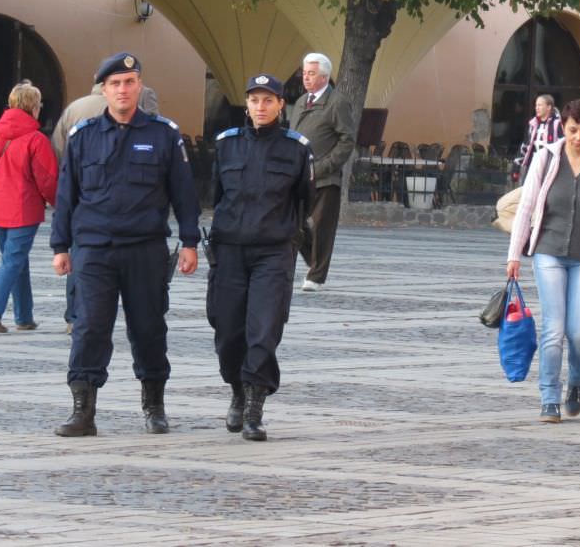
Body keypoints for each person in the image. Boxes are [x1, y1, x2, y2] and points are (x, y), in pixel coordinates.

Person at [50, 52, 200, 437]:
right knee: (90, 327)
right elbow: (66, 195)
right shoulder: (83, 136)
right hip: (94, 249)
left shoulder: (163, 134)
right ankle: (83, 410)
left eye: (129, 82)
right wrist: (60, 245)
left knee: (149, 328)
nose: (122, 90)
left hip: (145, 248)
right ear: (103, 89)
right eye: (115, 84)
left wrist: (189, 241)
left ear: (140, 87)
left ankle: (154, 405)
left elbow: (183, 194)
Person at [506, 99, 580, 424]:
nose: (578, 137)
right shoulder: (546, 158)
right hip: (548, 252)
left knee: (579, 333)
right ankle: (549, 398)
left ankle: (576, 382)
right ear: (564, 126)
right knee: (553, 329)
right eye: (573, 130)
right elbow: (526, 206)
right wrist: (514, 254)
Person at [208, 73, 314, 441]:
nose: (261, 107)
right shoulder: (226, 145)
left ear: (281, 105)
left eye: (268, 100)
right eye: (255, 100)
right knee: (228, 332)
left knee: (264, 331)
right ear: (247, 104)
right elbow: (216, 193)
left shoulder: (297, 148)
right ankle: (236, 388)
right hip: (230, 250)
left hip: (273, 252)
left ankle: (254, 406)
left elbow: (305, 200)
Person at [50, 79, 161, 333]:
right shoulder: (140, 104)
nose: (122, 89)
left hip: (84, 201)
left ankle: (74, 313)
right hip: (125, 208)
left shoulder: (75, 108)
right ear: (105, 87)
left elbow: (58, 147)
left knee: (80, 259)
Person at [0, 81, 58, 332]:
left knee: (16, 260)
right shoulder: (36, 139)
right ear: (33, 106)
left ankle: (24, 316)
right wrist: (61, 206)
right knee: (13, 261)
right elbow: (48, 179)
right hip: (24, 209)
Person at [288, 52, 356, 292]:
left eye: (311, 73)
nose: (306, 77)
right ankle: (312, 262)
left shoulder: (337, 102)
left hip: (325, 177)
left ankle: (316, 276)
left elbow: (347, 140)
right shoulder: (299, 102)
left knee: (322, 227)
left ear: (324, 76)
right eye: (304, 73)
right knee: (294, 223)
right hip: (299, 176)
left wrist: (326, 166)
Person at [517, 94, 564, 184]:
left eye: (540, 105)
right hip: (533, 164)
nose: (536, 108)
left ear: (549, 107)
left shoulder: (557, 124)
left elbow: (562, 145)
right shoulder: (533, 124)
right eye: (536, 105)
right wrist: (517, 165)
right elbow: (526, 146)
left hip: (549, 166)